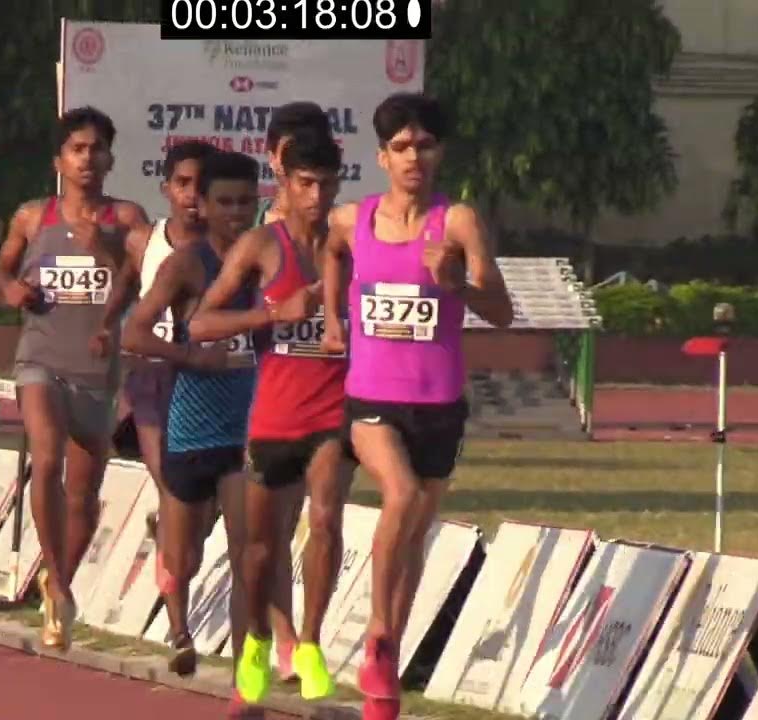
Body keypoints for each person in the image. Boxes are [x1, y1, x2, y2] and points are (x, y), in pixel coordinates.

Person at [321, 93, 513, 719]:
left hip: (438, 404)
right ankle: (377, 632)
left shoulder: (456, 222)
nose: (413, 157)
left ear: (439, 153)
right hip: (373, 399)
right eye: (401, 147)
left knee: (414, 540)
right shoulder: (354, 220)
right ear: (381, 156)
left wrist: (457, 284)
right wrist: (331, 317)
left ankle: (387, 668)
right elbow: (329, 253)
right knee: (398, 496)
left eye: (424, 145)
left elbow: (501, 310)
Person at [188, 128, 351, 704]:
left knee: (326, 519)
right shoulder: (262, 245)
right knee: (260, 550)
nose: (317, 197)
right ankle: (258, 638)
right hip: (274, 417)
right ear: (285, 182)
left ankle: (309, 642)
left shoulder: (350, 242)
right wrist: (271, 314)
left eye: (328, 185)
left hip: (334, 410)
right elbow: (201, 323)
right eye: (306, 184)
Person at [0, 106, 149, 650]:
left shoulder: (127, 217)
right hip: (40, 359)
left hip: (96, 369)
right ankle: (56, 583)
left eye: (96, 148)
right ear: (60, 159)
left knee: (84, 495)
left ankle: (58, 581)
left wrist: (100, 246)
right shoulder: (34, 216)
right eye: (76, 149)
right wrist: (9, 289)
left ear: (110, 157)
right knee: (48, 458)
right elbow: (1, 271)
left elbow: (143, 276)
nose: (87, 158)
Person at [120, 151, 259, 683]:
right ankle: (180, 633)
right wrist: (192, 356)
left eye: (245, 202)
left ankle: (248, 669)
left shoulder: (267, 258)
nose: (234, 213)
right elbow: (136, 333)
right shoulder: (187, 264)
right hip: (191, 425)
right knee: (185, 555)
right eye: (224, 202)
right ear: (204, 204)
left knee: (249, 550)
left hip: (244, 431)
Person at [106, 141, 217, 593]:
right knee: (172, 484)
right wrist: (104, 327)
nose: (192, 195)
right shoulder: (143, 240)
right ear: (166, 187)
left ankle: (173, 546)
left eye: (201, 185)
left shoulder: (229, 249)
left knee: (201, 509)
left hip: (209, 383)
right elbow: (127, 285)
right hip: (153, 377)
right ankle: (177, 622)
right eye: (183, 184)